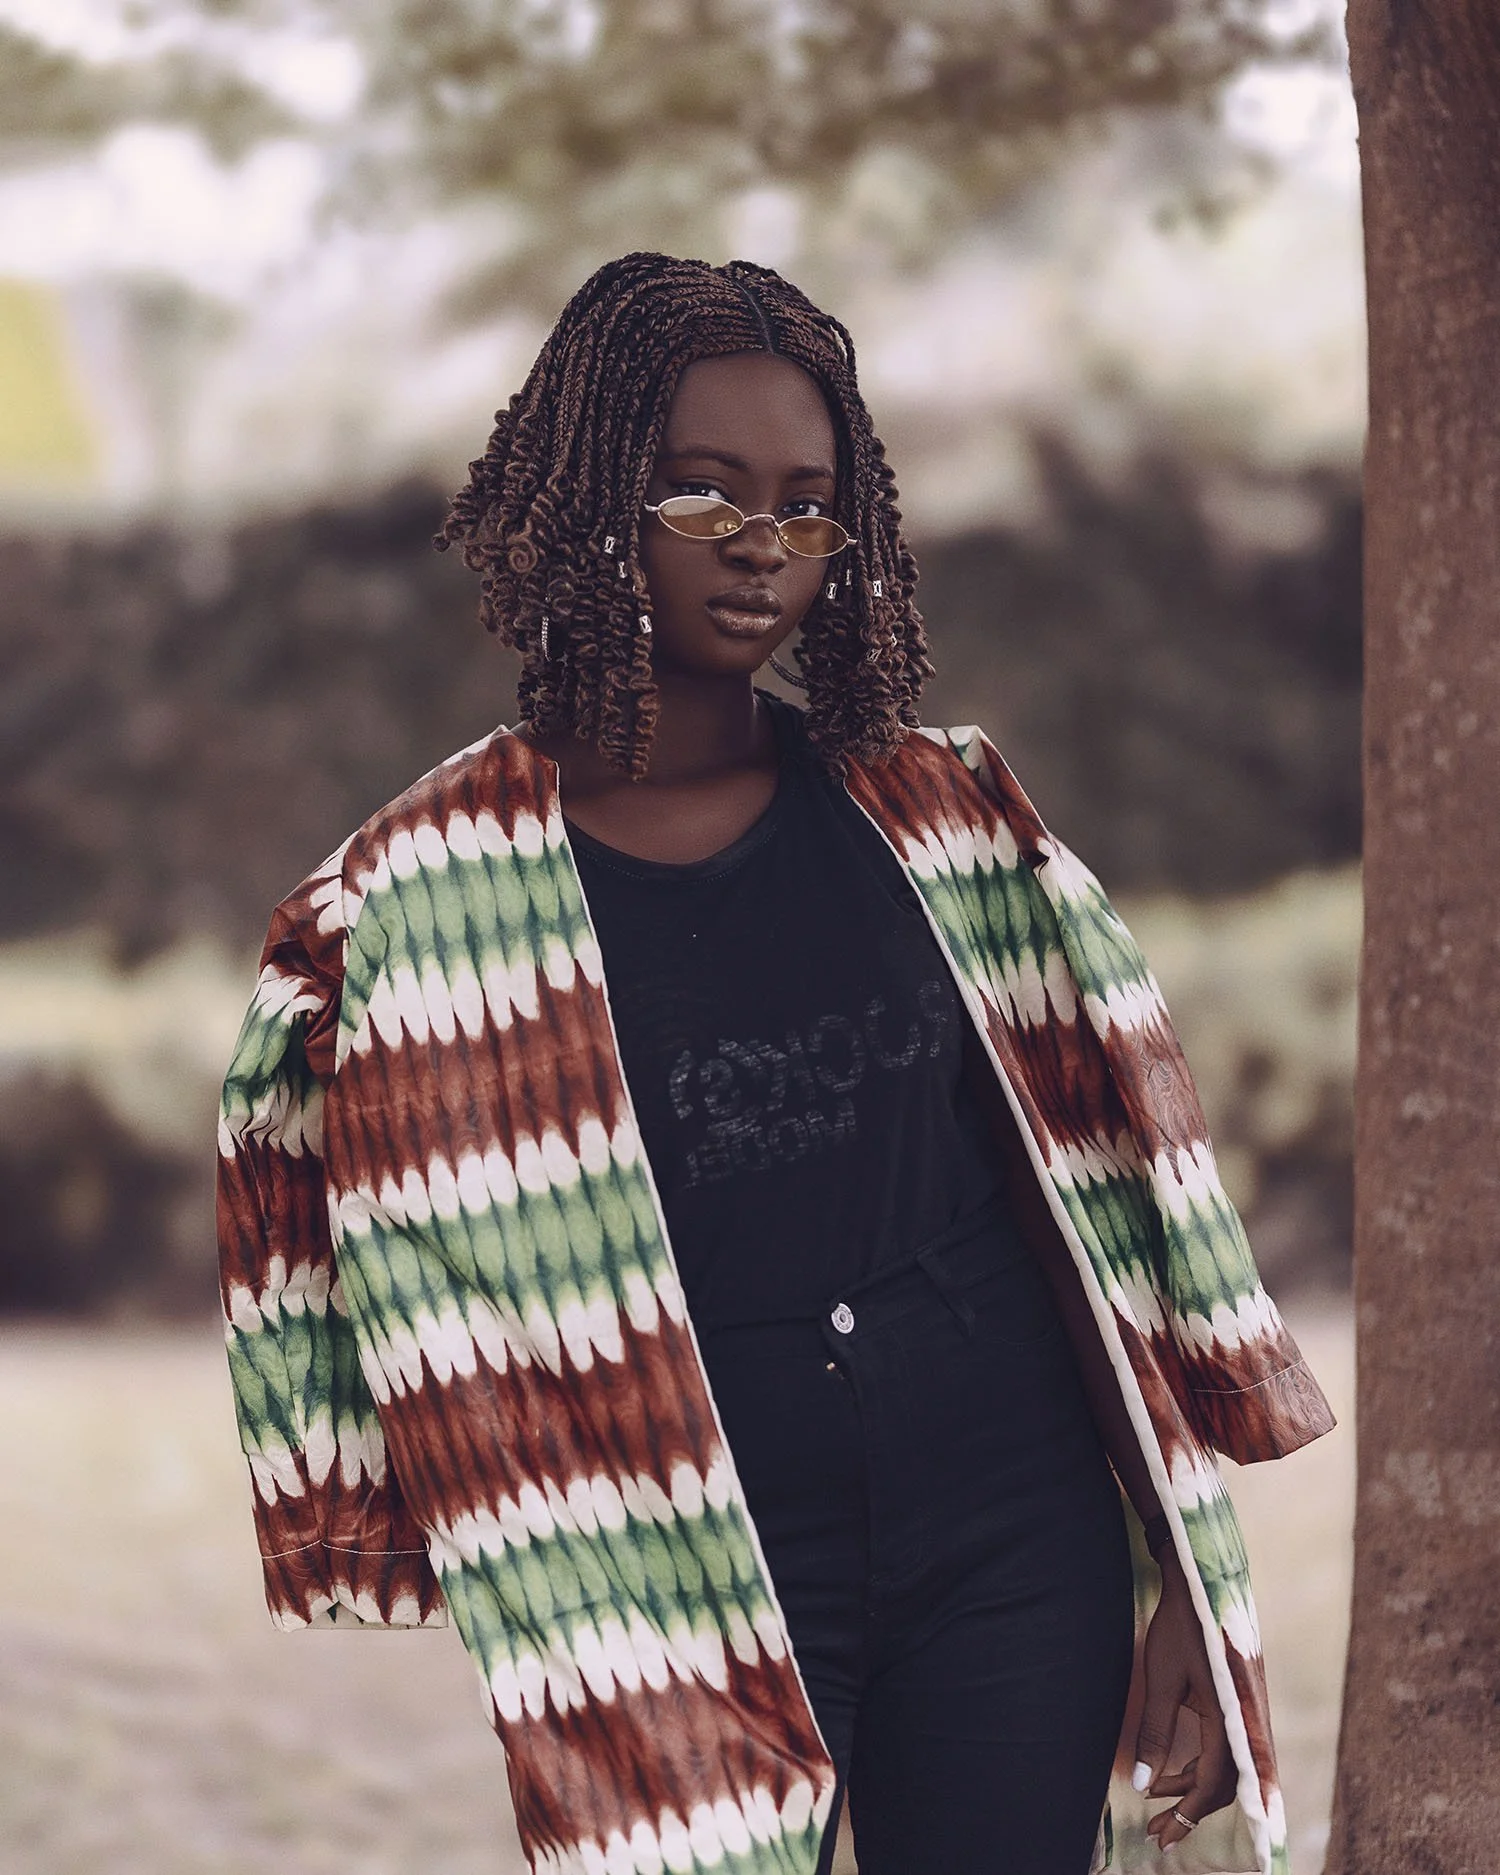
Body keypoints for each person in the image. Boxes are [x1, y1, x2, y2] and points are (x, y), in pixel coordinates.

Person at [217, 253, 1334, 1875]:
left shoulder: (933, 815)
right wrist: (359, 1506)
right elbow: (321, 1229)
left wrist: (1173, 1566)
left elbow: (1063, 1206)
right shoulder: (415, 903)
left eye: (810, 507)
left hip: (1011, 1523)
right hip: (663, 1552)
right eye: (704, 493)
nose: (764, 547)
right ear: (595, 496)